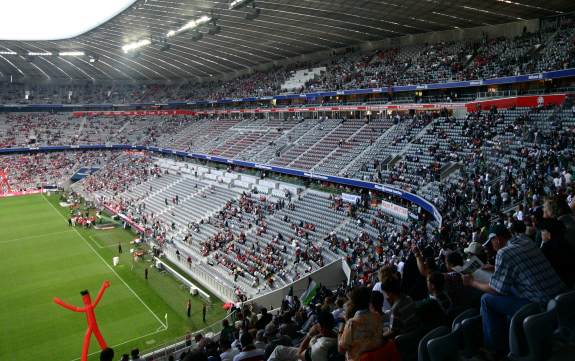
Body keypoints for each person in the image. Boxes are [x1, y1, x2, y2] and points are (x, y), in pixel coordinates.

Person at [462, 224, 566, 357]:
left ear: (498, 239)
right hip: (559, 296)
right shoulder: (524, 240)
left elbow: (495, 290)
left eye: (492, 241)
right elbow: (522, 264)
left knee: (486, 299)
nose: (491, 246)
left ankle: (496, 349)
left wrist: (472, 282)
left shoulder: (503, 253)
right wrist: (495, 268)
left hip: (540, 304)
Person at [268, 310, 337, 361]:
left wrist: (310, 334)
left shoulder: (319, 348)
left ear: (322, 328)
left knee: (278, 351)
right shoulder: (334, 334)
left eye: (317, 323)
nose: (315, 324)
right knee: (279, 349)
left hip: (305, 355)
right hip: (309, 351)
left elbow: (299, 354)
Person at [338, 287, 384, 361]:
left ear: (353, 303)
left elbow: (341, 349)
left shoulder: (352, 323)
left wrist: (340, 331)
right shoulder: (377, 316)